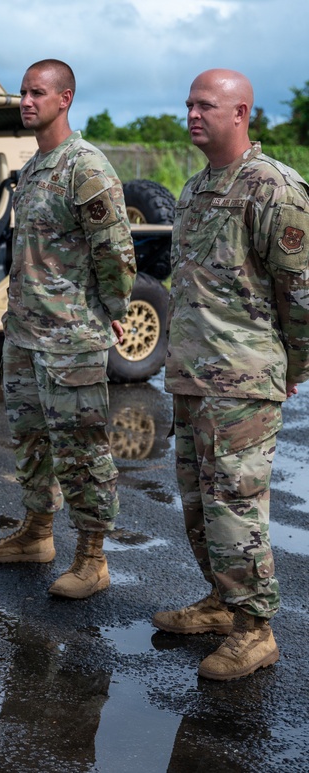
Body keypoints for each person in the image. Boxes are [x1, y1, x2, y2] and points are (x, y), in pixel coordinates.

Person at [152, 69, 309, 680]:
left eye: (206, 105)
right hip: (192, 377)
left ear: (240, 113)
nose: (192, 114)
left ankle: (256, 630)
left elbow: (300, 295)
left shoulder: (275, 189)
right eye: (188, 103)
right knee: (198, 506)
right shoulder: (195, 189)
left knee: (235, 508)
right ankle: (222, 603)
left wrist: (290, 368)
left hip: (243, 382)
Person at [0, 59, 136, 599]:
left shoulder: (84, 167)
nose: (25, 101)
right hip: (25, 335)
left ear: (65, 99)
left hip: (72, 339)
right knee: (32, 441)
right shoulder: (36, 167)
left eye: (37, 93)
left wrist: (107, 307)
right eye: (22, 92)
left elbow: (116, 252)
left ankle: (92, 556)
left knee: (82, 451)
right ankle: (36, 534)